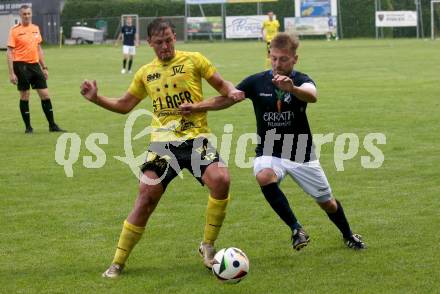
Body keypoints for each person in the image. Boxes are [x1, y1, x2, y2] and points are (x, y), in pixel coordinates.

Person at [80, 18, 244, 278]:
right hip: (162, 144)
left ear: (174, 37)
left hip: (196, 139)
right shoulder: (145, 73)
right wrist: (96, 98)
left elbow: (227, 91)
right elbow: (124, 105)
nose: (165, 46)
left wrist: (208, 103)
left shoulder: (195, 60)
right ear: (150, 43)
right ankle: (118, 262)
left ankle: (208, 246)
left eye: (168, 40)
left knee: (221, 179)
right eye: (159, 43)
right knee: (146, 195)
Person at [180, 32, 366, 251]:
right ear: (269, 55)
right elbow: (226, 99)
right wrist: (197, 107)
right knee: (264, 175)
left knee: (327, 202)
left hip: (300, 153)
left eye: (283, 59)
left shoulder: (301, 80)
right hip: (269, 151)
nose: (277, 63)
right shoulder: (257, 81)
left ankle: (347, 235)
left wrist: (292, 89)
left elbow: (311, 95)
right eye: (274, 58)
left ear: (295, 59)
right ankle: (297, 229)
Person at [7, 5, 66, 134]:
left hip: (35, 65)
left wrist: (44, 67)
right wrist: (11, 73)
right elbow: (9, 52)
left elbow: (39, 49)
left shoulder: (35, 29)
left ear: (31, 14)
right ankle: (28, 127)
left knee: (45, 95)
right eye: (24, 14)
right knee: (25, 95)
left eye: (28, 14)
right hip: (20, 65)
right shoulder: (14, 30)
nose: (27, 16)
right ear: (20, 15)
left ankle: (52, 125)